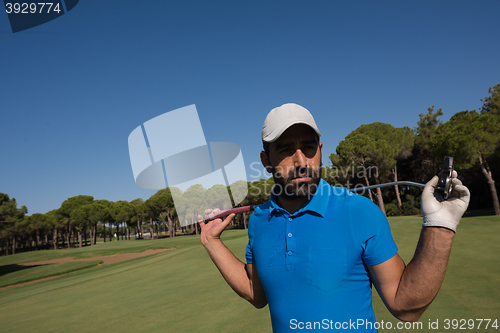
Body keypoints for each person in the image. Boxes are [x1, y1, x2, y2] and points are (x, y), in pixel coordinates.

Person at [199, 103, 470, 332]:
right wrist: (212, 242)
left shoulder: (359, 211)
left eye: (308, 148)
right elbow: (256, 293)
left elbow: (405, 307)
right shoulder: (259, 220)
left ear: (320, 150)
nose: (300, 160)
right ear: (266, 159)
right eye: (284, 149)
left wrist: (440, 227)